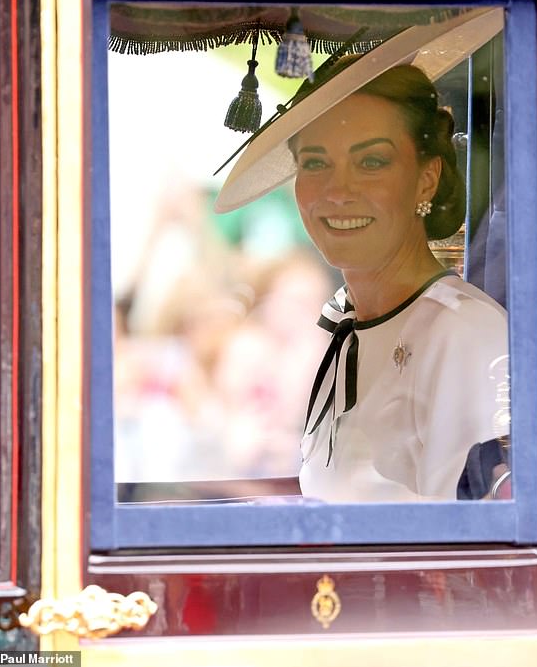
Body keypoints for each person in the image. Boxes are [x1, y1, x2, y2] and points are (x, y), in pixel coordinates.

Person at [215, 31, 509, 502]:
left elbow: (484, 544)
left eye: (371, 161)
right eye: (315, 163)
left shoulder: (464, 334)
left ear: (426, 178)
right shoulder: (346, 331)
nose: (337, 192)